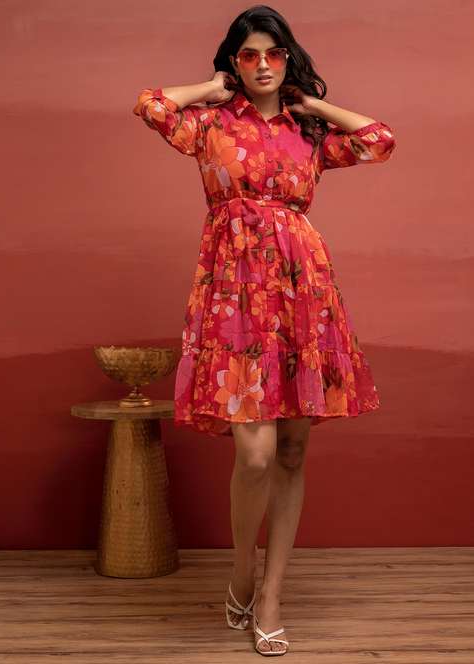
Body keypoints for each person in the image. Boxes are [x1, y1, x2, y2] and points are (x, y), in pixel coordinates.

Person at [133, 5, 396, 656]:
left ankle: (271, 596)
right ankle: (242, 570)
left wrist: (314, 103)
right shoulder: (211, 124)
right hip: (234, 294)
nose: (261, 65)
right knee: (253, 454)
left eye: (273, 54)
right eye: (248, 54)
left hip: (303, 292)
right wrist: (211, 87)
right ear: (235, 61)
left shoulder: (309, 134)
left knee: (293, 452)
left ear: (287, 59)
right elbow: (152, 105)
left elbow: (379, 139)